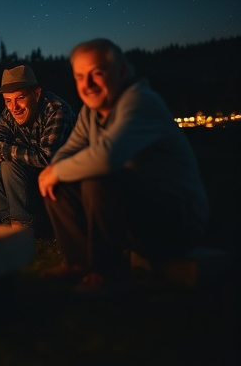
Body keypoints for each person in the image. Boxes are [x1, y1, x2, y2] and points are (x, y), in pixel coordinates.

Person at [38, 38, 210, 288]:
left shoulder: (140, 101)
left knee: (94, 179)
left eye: (97, 74)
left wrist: (58, 170)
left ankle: (109, 272)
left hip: (177, 223)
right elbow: (66, 152)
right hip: (138, 213)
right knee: (58, 183)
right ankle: (78, 263)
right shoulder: (90, 113)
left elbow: (108, 157)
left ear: (120, 71)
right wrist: (54, 172)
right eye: (79, 76)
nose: (87, 85)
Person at [0, 65, 76, 230]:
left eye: (20, 98)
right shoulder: (9, 113)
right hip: (29, 181)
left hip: (59, 186)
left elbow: (46, 157)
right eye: (8, 101)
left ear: (36, 94)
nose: (14, 107)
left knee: (8, 165)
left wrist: (4, 151)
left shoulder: (56, 109)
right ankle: (8, 221)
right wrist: (3, 151)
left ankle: (23, 224)